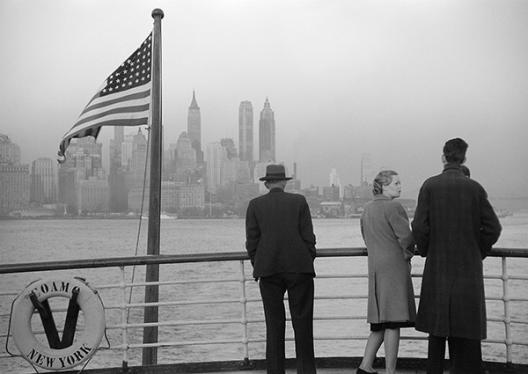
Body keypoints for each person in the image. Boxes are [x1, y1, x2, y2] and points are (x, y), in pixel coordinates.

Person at [412, 138, 502, 374]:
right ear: (464, 158)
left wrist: (427, 249)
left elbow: (419, 227)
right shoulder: (475, 188)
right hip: (468, 270)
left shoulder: (429, 186)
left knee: (437, 328)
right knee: (466, 328)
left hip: (438, 267)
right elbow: (493, 228)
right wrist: (477, 251)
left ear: (443, 157)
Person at [245, 164, 317, 374]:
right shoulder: (299, 202)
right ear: (285, 182)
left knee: (274, 324)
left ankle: (275, 371)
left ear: (266, 183)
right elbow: (308, 237)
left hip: (268, 269)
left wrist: (259, 262)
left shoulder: (255, 205)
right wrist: (307, 258)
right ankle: (306, 371)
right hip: (299, 267)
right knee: (303, 323)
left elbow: (252, 242)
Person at [357, 170, 416, 374]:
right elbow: (406, 238)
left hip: (375, 267)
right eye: (396, 183)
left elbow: (365, 236)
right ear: (384, 186)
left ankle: (366, 365)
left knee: (380, 321)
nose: (400, 186)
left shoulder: (367, 208)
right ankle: (390, 371)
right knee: (393, 321)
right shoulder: (394, 207)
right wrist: (408, 255)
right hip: (394, 268)